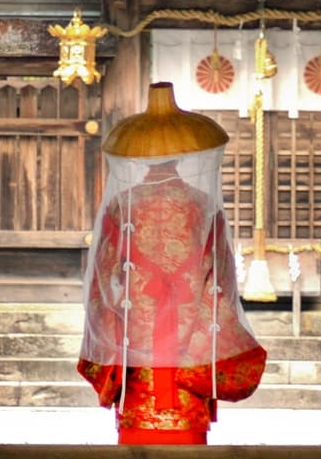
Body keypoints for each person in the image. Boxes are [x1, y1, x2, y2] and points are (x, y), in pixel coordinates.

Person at [77, 83, 266, 445]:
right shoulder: (203, 205)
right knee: (187, 437)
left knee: (138, 437)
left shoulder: (121, 206)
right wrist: (204, 316)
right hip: (191, 339)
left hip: (137, 338)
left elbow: (101, 281)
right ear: (181, 158)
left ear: (140, 158)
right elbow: (222, 280)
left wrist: (117, 320)